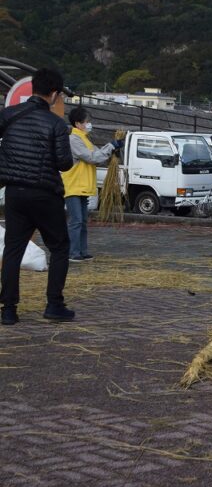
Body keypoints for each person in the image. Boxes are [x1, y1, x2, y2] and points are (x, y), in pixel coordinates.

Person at [0, 68, 75, 324]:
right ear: (54, 94)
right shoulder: (56, 124)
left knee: (13, 250)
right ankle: (54, 305)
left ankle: (8, 310)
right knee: (60, 247)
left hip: (14, 192)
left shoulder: (8, 115)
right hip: (45, 193)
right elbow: (64, 163)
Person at [61, 107, 122, 262]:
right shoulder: (73, 140)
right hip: (73, 186)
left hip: (83, 186)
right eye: (86, 121)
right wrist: (111, 146)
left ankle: (82, 251)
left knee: (82, 221)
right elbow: (92, 157)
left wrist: (112, 150)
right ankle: (73, 252)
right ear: (78, 124)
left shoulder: (85, 139)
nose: (89, 124)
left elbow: (98, 156)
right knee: (76, 221)